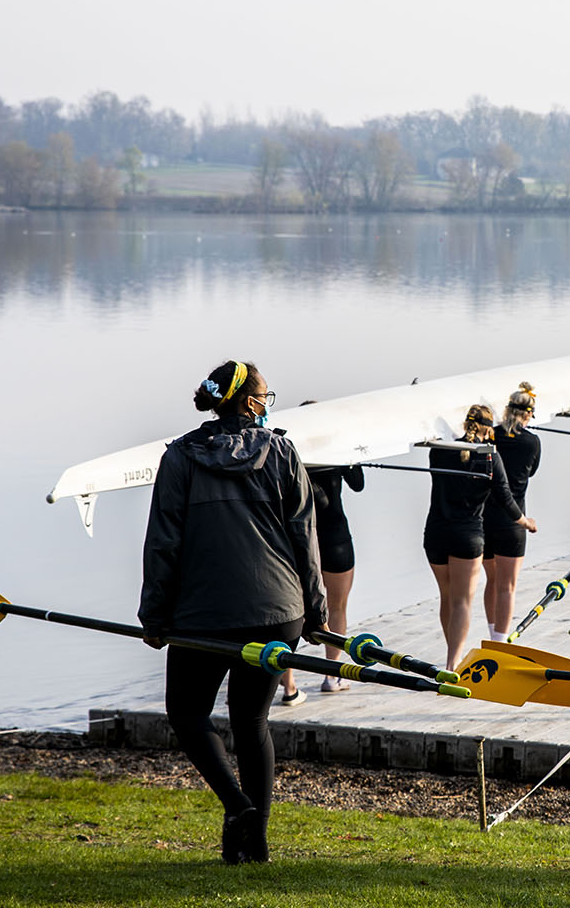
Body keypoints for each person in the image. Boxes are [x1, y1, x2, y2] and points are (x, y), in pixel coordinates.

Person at [140, 360, 327, 865]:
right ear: (248, 404)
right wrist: (314, 612)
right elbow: (306, 538)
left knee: (187, 714)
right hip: (278, 610)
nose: (269, 406)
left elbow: (163, 543)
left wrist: (153, 616)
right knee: (251, 719)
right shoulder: (284, 453)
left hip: (204, 614)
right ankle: (253, 838)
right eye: (267, 398)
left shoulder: (180, 458)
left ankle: (239, 808)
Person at [425, 404, 536, 670]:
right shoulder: (489, 456)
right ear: (488, 429)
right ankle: (453, 664)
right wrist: (525, 522)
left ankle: (453, 655)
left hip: (435, 533)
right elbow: (507, 500)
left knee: (447, 597)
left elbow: (448, 446)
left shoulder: (439, 451)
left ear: (466, 424)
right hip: (468, 537)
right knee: (463, 601)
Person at [278, 398, 367, 702]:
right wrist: (350, 448)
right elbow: (358, 483)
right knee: (337, 607)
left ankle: (289, 683)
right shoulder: (335, 445)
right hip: (335, 536)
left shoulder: (288, 451)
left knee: (294, 611)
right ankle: (332, 675)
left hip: (298, 540)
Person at [482, 383, 542, 642]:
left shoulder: (490, 437)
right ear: (528, 414)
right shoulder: (532, 442)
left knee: (492, 581)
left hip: (484, 518)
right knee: (507, 586)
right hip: (514, 519)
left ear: (506, 410)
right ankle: (500, 641)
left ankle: (491, 633)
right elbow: (532, 472)